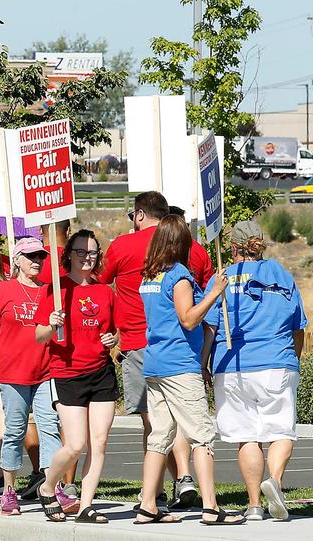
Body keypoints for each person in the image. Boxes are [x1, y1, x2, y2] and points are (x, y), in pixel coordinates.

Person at [102, 191, 213, 508]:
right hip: (181, 350)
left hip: (142, 346)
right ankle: (185, 487)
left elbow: (97, 282)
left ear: (139, 214)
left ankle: (159, 493)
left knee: (155, 427)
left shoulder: (126, 248)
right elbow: (203, 301)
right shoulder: (192, 251)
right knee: (181, 425)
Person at [136, 216, 242, 525]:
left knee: (160, 436)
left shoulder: (149, 276)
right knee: (202, 436)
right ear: (181, 243)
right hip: (180, 365)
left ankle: (147, 506)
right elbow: (188, 319)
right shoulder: (178, 276)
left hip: (155, 364)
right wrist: (213, 292)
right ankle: (211, 506)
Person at [204, 221, 306, 521]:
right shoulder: (282, 275)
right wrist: (293, 359)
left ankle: (254, 505)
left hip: (231, 364)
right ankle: (273, 481)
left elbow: (209, 329)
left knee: (246, 436)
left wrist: (203, 365)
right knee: (281, 430)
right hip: (276, 360)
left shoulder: (221, 279)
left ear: (233, 248)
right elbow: (298, 327)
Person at [34, 230, 118, 523]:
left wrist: (111, 339)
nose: (87, 257)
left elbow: (113, 331)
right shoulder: (55, 289)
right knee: (75, 445)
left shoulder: (105, 291)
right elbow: (38, 336)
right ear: (69, 254)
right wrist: (50, 323)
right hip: (67, 373)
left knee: (100, 442)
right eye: (81, 251)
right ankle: (47, 486)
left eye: (92, 252)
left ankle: (85, 506)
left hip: (101, 372)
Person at [0, 237, 57, 517]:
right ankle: (9, 491)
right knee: (14, 431)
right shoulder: (3, 290)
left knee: (50, 429)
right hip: (12, 372)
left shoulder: (51, 292)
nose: (37, 261)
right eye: (31, 256)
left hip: (46, 371)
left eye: (41, 257)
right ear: (17, 261)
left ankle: (52, 486)